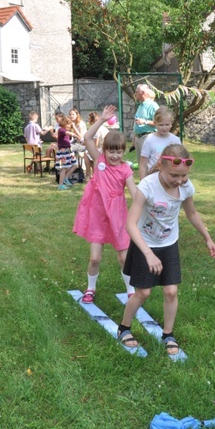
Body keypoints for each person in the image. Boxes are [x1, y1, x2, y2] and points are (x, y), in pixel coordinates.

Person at [117, 144, 215, 356]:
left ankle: (167, 334)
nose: (179, 181)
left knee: (171, 291)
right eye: (174, 175)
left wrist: (207, 237)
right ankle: (124, 327)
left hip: (168, 243)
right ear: (161, 165)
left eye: (183, 176)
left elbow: (192, 214)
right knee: (143, 292)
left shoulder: (186, 187)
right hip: (145, 243)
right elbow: (130, 224)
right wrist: (148, 254)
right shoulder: (147, 186)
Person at [73, 105, 138, 303]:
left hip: (117, 216)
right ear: (105, 151)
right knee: (95, 258)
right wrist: (101, 120)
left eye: (119, 152)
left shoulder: (126, 170)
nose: (115, 156)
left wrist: (145, 205)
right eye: (111, 151)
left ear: (123, 152)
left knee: (123, 258)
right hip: (98, 215)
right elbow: (87, 138)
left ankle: (131, 291)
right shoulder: (99, 161)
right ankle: (90, 288)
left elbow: (134, 192)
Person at [139, 107, 181, 180]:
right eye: (161, 125)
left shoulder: (175, 140)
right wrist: (143, 182)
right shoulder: (150, 140)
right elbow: (143, 164)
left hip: (171, 179)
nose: (164, 128)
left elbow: (180, 161)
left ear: (171, 123)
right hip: (153, 178)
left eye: (167, 124)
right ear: (155, 123)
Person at [49, 112, 78, 190]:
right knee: (63, 168)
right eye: (68, 124)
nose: (69, 126)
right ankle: (60, 185)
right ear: (64, 124)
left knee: (75, 165)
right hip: (63, 152)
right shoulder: (61, 130)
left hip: (68, 150)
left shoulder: (64, 129)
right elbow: (69, 133)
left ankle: (66, 178)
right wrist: (76, 135)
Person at [132, 84, 158, 163]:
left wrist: (145, 121)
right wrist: (134, 137)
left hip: (148, 138)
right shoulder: (141, 106)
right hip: (138, 138)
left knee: (149, 164)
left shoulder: (152, 105)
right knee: (141, 164)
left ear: (142, 93)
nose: (135, 93)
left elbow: (159, 122)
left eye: (136, 92)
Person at [84, 111, 109, 181]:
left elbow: (96, 143)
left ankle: (88, 174)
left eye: (89, 119)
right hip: (105, 147)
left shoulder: (96, 128)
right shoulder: (102, 127)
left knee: (86, 154)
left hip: (103, 148)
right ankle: (92, 173)